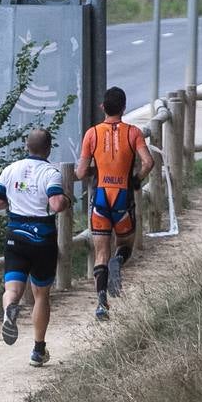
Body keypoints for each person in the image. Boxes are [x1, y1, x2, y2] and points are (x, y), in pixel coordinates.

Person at [0, 128, 70, 366]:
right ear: (48, 148)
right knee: (41, 294)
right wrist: (65, 199)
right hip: (42, 239)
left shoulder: (10, 170)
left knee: (12, 289)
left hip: (16, 237)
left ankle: (9, 310)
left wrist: (14, 199)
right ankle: (38, 350)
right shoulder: (50, 172)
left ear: (26, 146)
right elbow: (55, 204)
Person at [76, 87, 154, 321]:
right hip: (123, 195)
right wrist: (137, 179)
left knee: (100, 251)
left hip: (101, 196)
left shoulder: (92, 134)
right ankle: (118, 261)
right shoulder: (133, 133)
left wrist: (93, 169)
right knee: (125, 243)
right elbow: (148, 162)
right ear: (124, 107)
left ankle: (101, 303)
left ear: (103, 107)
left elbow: (80, 173)